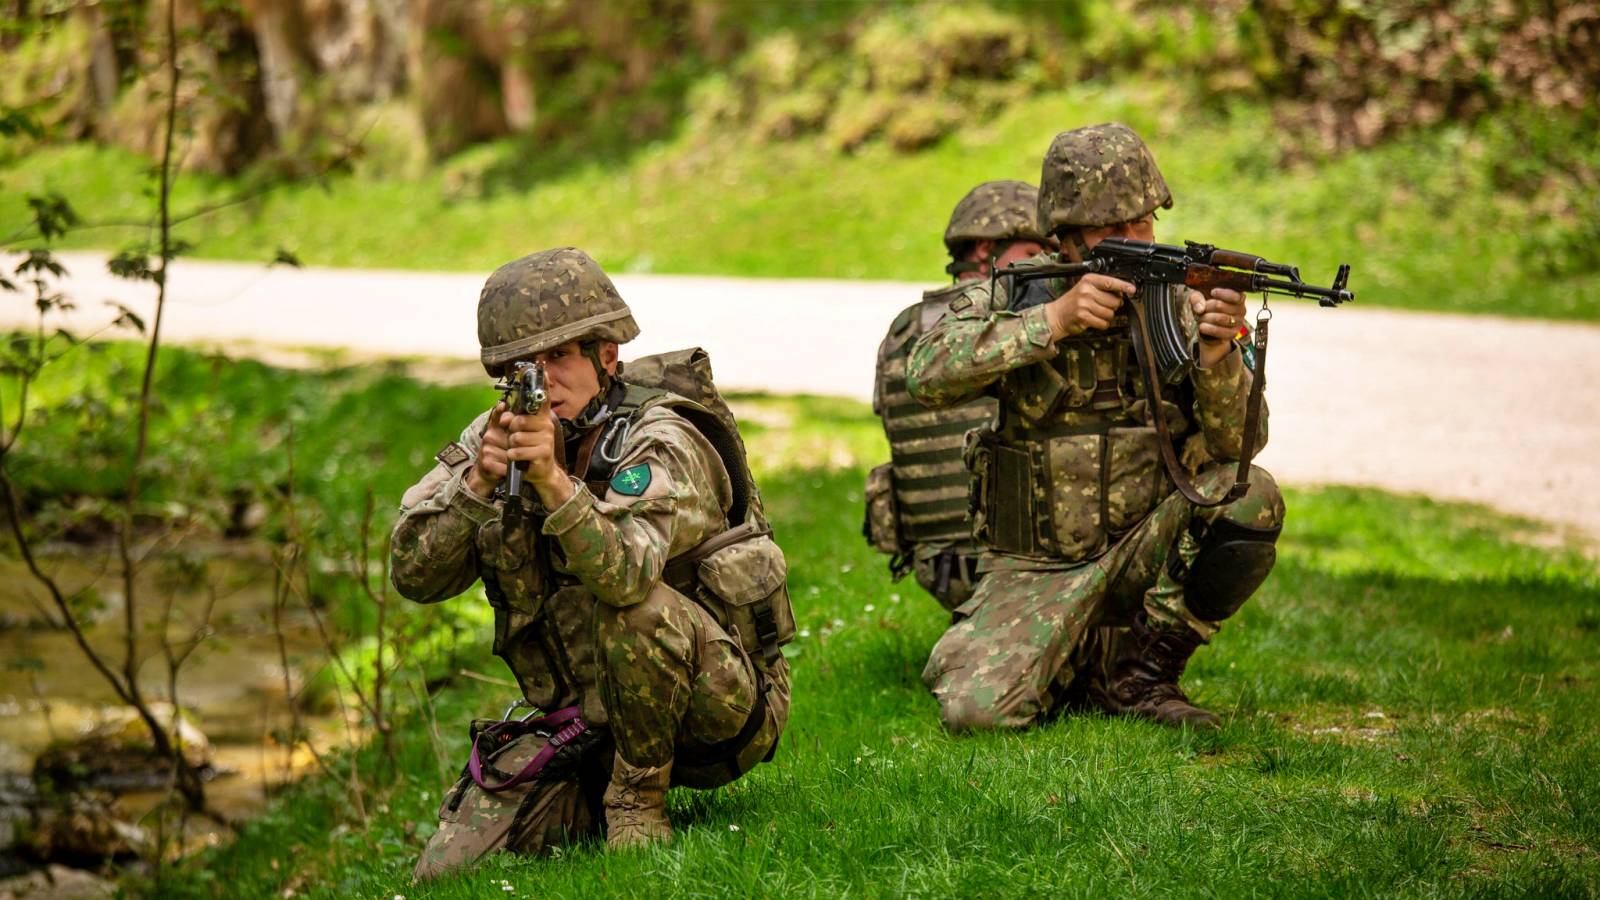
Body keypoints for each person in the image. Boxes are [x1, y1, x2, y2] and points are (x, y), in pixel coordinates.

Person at [390, 248, 792, 879]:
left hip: (716, 706)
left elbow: (628, 577)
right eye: (524, 366)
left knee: (642, 609)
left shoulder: (663, 434)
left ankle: (638, 804)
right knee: (447, 874)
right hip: (584, 724)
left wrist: (552, 482)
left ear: (607, 355)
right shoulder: (492, 440)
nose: (543, 380)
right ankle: (596, 791)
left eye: (559, 357)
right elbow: (414, 576)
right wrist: (477, 484)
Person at [905, 123, 1285, 732]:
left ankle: (1140, 676)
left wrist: (1218, 356)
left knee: (1250, 496)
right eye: (1115, 229)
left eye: (1144, 223)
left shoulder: (1180, 304)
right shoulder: (1019, 294)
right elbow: (925, 372)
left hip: (1143, 544)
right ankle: (1082, 659)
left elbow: (1238, 447)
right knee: (976, 716)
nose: (1138, 241)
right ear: (1066, 235)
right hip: (1037, 566)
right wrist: (1053, 321)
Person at [866, 181, 1053, 612]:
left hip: (935, 563)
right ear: (986, 247)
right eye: (1033, 253)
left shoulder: (904, 328)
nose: (1047, 263)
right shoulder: (1015, 320)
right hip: (1007, 556)